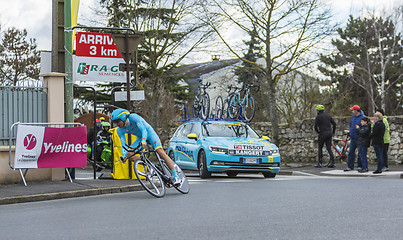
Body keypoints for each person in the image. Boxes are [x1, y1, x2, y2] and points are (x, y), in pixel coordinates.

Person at [110, 108, 181, 186]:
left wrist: (144, 141)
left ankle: (176, 177)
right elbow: (123, 145)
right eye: (114, 122)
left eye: (117, 121)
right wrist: (124, 156)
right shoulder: (119, 130)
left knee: (160, 152)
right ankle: (153, 167)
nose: (116, 124)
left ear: (123, 117)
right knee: (129, 155)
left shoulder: (133, 117)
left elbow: (144, 130)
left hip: (149, 133)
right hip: (139, 138)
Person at [345, 105, 365, 171]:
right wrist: (350, 132)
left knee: (360, 152)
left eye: (353, 110)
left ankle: (360, 166)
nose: (352, 111)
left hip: (359, 138)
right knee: (351, 152)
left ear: (356, 110)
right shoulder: (353, 117)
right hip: (353, 137)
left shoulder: (362, 117)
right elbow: (351, 125)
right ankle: (350, 166)